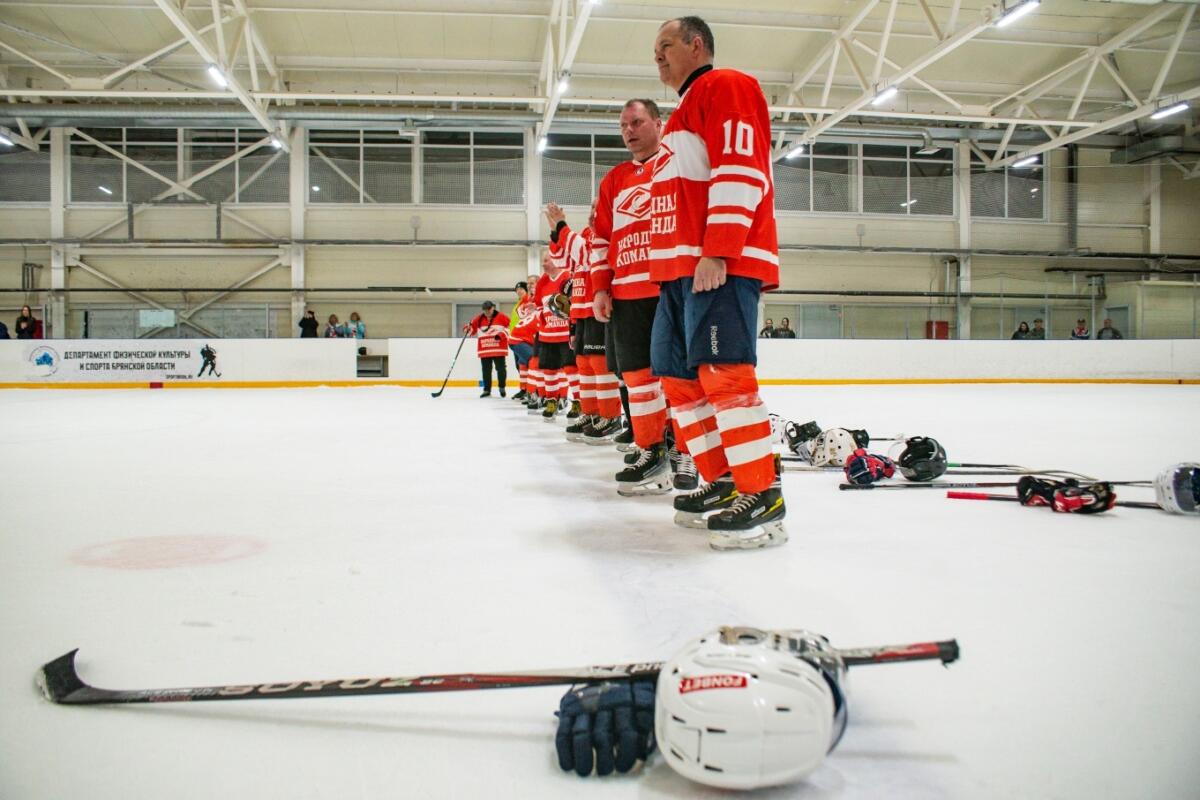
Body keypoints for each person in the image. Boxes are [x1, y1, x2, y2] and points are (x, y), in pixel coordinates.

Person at [646, 16, 785, 549]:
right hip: (678, 273)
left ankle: (762, 493)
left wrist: (719, 249)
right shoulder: (680, 116)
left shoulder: (726, 86)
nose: (658, 55)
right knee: (679, 380)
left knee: (725, 376)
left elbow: (741, 168)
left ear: (696, 44)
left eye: (666, 45)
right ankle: (724, 480)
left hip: (718, 264)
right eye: (654, 49)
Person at [590, 98, 675, 494]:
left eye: (637, 122)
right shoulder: (615, 179)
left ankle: (684, 452)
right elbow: (600, 239)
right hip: (627, 293)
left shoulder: (674, 165)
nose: (629, 131)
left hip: (669, 286)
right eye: (624, 125)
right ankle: (650, 450)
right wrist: (600, 287)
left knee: (678, 377)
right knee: (638, 378)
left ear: (658, 123)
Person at [464, 301, 510, 397]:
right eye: (485, 310)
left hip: (498, 349)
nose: (487, 311)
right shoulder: (479, 318)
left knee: (501, 369)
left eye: (489, 309)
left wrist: (501, 335)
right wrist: (467, 329)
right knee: (486, 370)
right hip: (485, 349)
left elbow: (511, 327)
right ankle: (487, 390)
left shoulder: (502, 317)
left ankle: (502, 387)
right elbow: (471, 330)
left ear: (493, 308)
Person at [508, 282, 537, 400]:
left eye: (521, 289)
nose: (519, 291)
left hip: (527, 337)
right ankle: (525, 390)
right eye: (517, 289)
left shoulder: (529, 300)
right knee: (522, 364)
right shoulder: (518, 304)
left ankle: (531, 390)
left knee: (528, 362)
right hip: (519, 337)